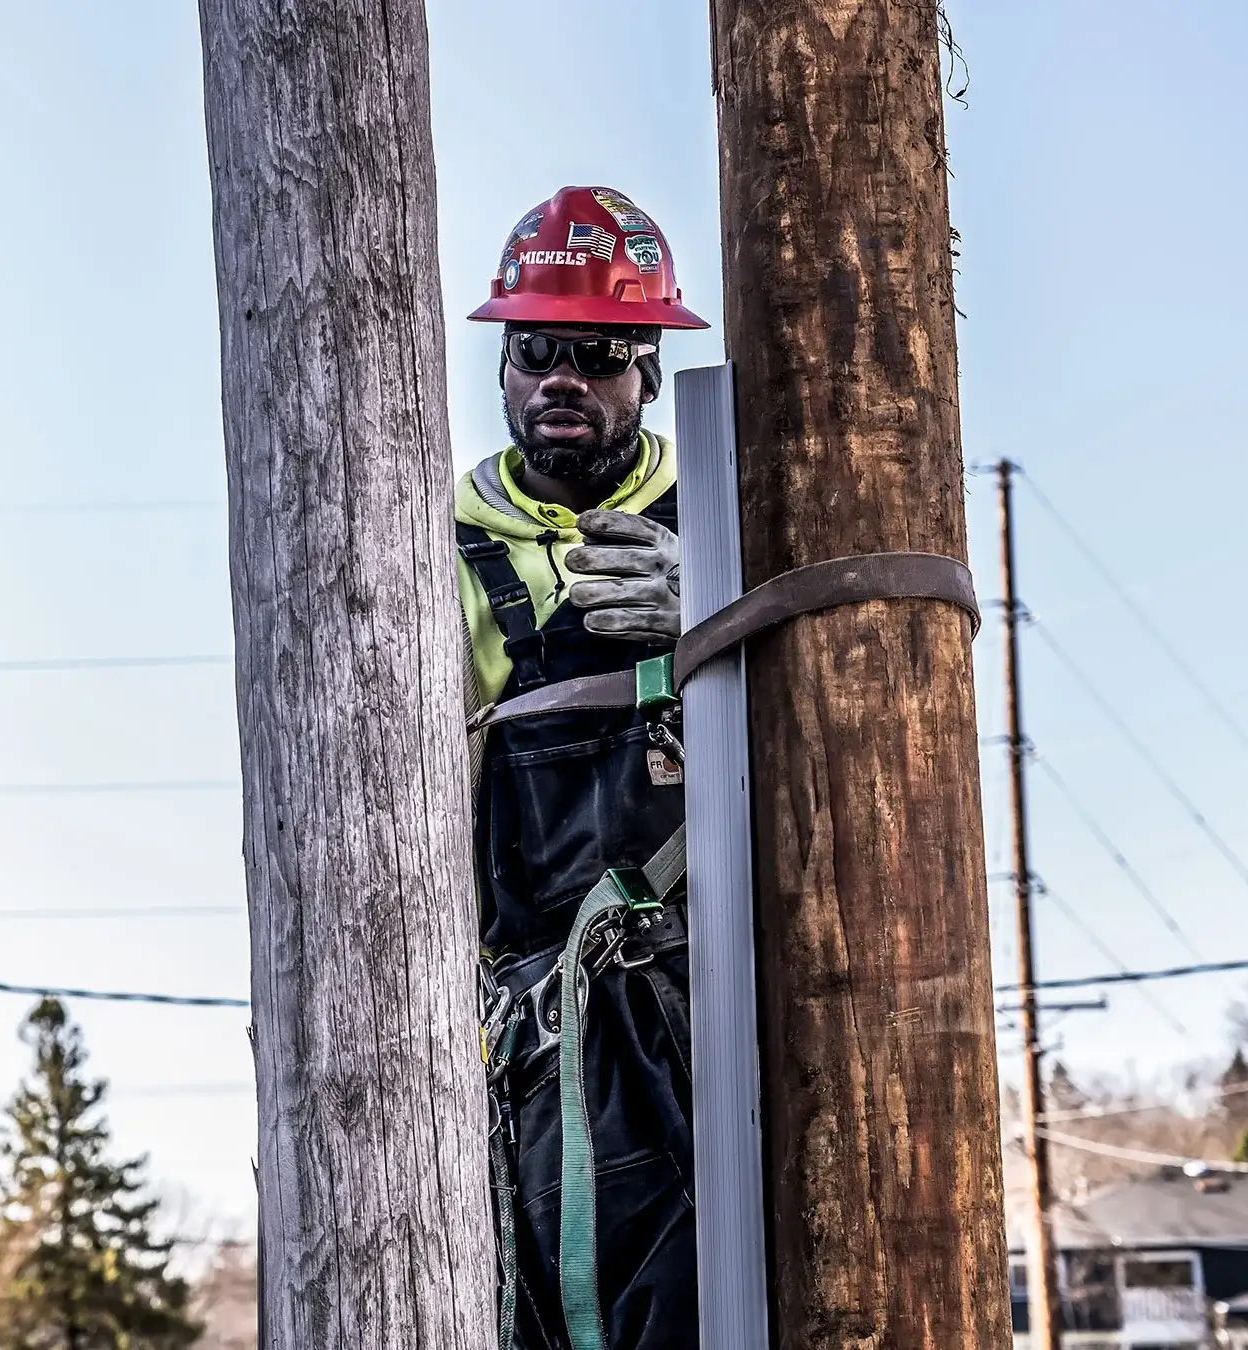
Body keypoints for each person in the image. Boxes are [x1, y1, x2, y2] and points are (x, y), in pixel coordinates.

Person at [456, 185, 709, 1349]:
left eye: (599, 353)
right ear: (504, 369)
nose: (564, 377)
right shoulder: (431, 541)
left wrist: (709, 611)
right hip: (540, 1011)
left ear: (646, 370)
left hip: (716, 979)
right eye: (537, 351)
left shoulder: (728, 500)